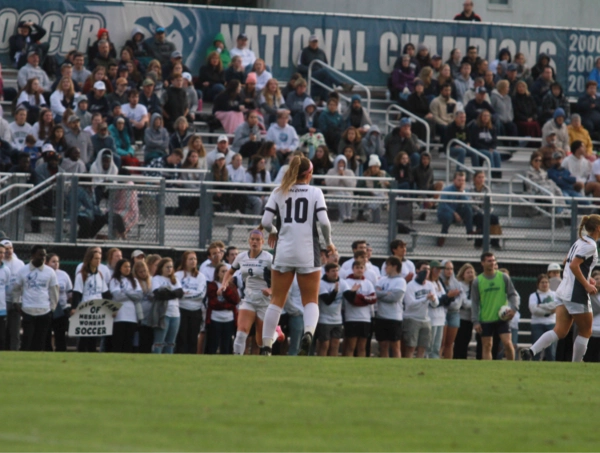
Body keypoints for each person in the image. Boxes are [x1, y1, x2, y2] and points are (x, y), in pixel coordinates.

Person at [259, 155, 335, 355]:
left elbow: (265, 222)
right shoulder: (315, 192)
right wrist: (329, 243)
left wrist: (274, 232)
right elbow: (325, 223)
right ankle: (308, 332)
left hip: (283, 250)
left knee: (276, 300)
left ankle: (266, 346)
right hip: (308, 251)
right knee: (310, 300)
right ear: (309, 173)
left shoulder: (278, 191)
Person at [523, 215, 600, 362]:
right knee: (586, 330)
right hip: (576, 293)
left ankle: (531, 352)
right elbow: (573, 265)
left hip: (563, 291)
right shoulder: (590, 245)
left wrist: (586, 276)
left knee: (560, 331)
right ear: (598, 228)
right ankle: (576, 365)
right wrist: (586, 284)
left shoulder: (580, 241)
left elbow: (567, 261)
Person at [221, 230, 273, 355]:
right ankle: (236, 361)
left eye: (257, 240)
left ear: (262, 242)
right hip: (248, 299)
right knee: (241, 332)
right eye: (252, 239)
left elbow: (280, 277)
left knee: (261, 341)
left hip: (264, 301)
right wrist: (224, 284)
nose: (255, 242)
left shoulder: (268, 258)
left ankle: (276, 332)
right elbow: (230, 271)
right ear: (249, 241)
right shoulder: (241, 257)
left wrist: (271, 290)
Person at [471, 252, 519, 360]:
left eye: (493, 260)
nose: (492, 263)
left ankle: (512, 368)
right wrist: (475, 321)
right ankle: (487, 371)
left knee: (507, 343)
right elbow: (474, 302)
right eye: (489, 261)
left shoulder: (503, 277)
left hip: (502, 317)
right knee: (487, 346)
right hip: (486, 318)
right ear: (482, 263)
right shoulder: (477, 281)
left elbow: (513, 294)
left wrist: (514, 309)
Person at [11, 246, 58, 352]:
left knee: (39, 342)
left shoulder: (50, 272)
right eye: (40, 254)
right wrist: (16, 303)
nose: (43, 257)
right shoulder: (23, 270)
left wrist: (52, 308)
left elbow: (54, 291)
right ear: (33, 256)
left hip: (44, 311)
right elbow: (16, 289)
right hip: (28, 310)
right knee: (27, 341)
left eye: (44, 255)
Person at [71, 249, 110, 352]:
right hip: (86, 309)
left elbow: (105, 293)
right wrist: (74, 308)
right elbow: (77, 292)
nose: (98, 261)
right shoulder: (81, 275)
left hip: (97, 309)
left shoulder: (100, 275)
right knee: (84, 337)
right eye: (96, 258)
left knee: (94, 337)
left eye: (100, 259)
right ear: (89, 259)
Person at [341, 259, 376, 357]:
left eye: (361, 268)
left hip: (365, 319)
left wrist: (360, 297)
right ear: (353, 269)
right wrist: (363, 299)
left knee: (362, 347)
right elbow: (353, 301)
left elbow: (373, 298)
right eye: (357, 268)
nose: (359, 270)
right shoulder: (347, 282)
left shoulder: (368, 283)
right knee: (351, 346)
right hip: (352, 318)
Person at [402, 261, 438, 358]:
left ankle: (418, 369)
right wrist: (425, 298)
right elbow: (410, 304)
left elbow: (435, 304)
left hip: (426, 319)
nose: (427, 271)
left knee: (423, 348)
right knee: (411, 347)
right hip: (412, 319)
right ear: (417, 270)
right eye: (424, 269)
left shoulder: (430, 285)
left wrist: (433, 299)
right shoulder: (410, 285)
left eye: (428, 269)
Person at [175, 251, 207, 354]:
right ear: (185, 261)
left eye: (195, 259)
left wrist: (185, 294)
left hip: (195, 311)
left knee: (193, 339)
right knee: (181, 338)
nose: (193, 261)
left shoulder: (201, 276)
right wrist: (188, 294)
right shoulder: (177, 275)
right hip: (181, 310)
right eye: (190, 259)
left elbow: (201, 294)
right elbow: (177, 292)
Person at [149, 258, 183, 354]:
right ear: (161, 268)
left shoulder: (174, 279)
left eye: (171, 267)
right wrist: (173, 293)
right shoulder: (156, 279)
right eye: (167, 267)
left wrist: (168, 293)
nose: (169, 269)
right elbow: (159, 295)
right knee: (159, 341)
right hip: (163, 313)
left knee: (171, 342)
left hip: (175, 314)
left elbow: (180, 293)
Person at [375, 256, 406, 358]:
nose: (385, 268)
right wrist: (386, 293)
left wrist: (381, 294)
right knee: (383, 345)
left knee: (395, 346)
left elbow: (394, 297)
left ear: (394, 266)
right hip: (381, 316)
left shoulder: (401, 281)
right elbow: (375, 293)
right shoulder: (382, 279)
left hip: (394, 317)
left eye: (388, 265)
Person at [109, 259, 143, 353]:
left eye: (129, 266)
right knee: (118, 342)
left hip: (132, 317)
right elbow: (117, 296)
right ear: (120, 268)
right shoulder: (115, 280)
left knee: (129, 342)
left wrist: (126, 291)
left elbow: (139, 296)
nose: (128, 269)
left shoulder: (134, 280)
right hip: (119, 316)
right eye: (125, 266)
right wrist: (132, 293)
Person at [316, 263, 347, 357]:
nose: (335, 273)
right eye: (333, 271)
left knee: (335, 345)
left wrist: (353, 292)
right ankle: (321, 364)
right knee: (324, 345)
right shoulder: (321, 284)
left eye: (337, 270)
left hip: (337, 320)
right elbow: (327, 301)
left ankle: (332, 365)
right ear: (327, 272)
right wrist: (335, 291)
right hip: (324, 319)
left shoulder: (342, 282)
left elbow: (349, 296)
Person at [437, 171, 473, 247]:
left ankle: (470, 232)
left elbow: (468, 203)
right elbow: (443, 204)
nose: (461, 182)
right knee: (448, 216)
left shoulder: (464, 191)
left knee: (468, 209)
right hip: (445, 213)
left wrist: (461, 193)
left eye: (463, 180)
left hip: (457, 212)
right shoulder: (447, 190)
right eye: (459, 180)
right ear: (454, 180)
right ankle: (443, 235)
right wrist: (454, 213)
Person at [528, 273, 559, 361]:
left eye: (546, 282)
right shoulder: (533, 296)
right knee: (536, 349)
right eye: (542, 282)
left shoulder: (554, 294)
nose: (544, 284)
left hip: (551, 324)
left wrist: (541, 305)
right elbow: (534, 310)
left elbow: (556, 306)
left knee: (551, 350)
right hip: (537, 324)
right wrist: (549, 311)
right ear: (538, 284)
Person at [453, 263, 475, 359]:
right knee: (459, 342)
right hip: (461, 318)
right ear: (463, 274)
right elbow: (465, 303)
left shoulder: (475, 286)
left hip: (470, 319)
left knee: (466, 341)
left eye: (472, 272)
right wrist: (477, 304)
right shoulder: (460, 285)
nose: (470, 274)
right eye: (468, 272)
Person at [324, 154, 356, 223]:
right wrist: (338, 176)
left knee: (348, 196)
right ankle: (343, 217)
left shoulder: (350, 172)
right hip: (333, 195)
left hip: (347, 194)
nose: (341, 164)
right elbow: (329, 185)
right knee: (340, 194)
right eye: (339, 162)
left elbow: (352, 185)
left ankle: (348, 216)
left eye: (343, 163)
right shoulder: (331, 172)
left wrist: (343, 176)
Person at [0, 244, 10, 350]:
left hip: (1, 309)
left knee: (2, 338)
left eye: (3, 252)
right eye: (0, 252)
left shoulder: (6, 270)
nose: (2, 255)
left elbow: (6, 288)